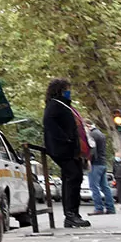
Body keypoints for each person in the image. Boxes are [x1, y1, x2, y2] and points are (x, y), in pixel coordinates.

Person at [43, 79, 90, 227]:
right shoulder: (56, 105)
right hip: (63, 149)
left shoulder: (62, 105)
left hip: (69, 149)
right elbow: (49, 122)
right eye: (67, 89)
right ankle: (71, 214)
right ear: (61, 90)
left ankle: (72, 214)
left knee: (72, 177)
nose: (69, 92)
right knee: (73, 176)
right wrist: (66, 139)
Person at [88, 121, 116, 216]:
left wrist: (88, 160)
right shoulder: (101, 134)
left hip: (95, 163)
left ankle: (98, 208)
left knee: (94, 186)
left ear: (87, 126)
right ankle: (110, 207)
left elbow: (92, 149)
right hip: (102, 163)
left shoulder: (91, 134)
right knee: (105, 187)